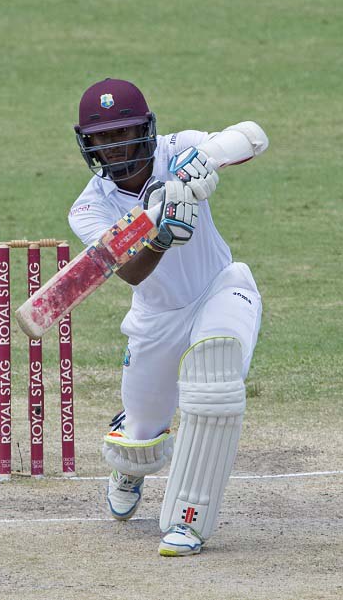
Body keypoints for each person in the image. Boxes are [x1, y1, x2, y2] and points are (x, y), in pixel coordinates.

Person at [67, 78, 269, 556]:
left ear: (146, 128)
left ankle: (189, 520)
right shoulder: (89, 208)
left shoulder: (177, 150)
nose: (116, 146)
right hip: (156, 318)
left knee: (213, 386)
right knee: (141, 439)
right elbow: (131, 274)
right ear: (89, 143)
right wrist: (159, 235)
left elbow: (254, 135)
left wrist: (209, 157)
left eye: (125, 132)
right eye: (104, 137)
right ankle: (128, 465)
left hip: (220, 288)